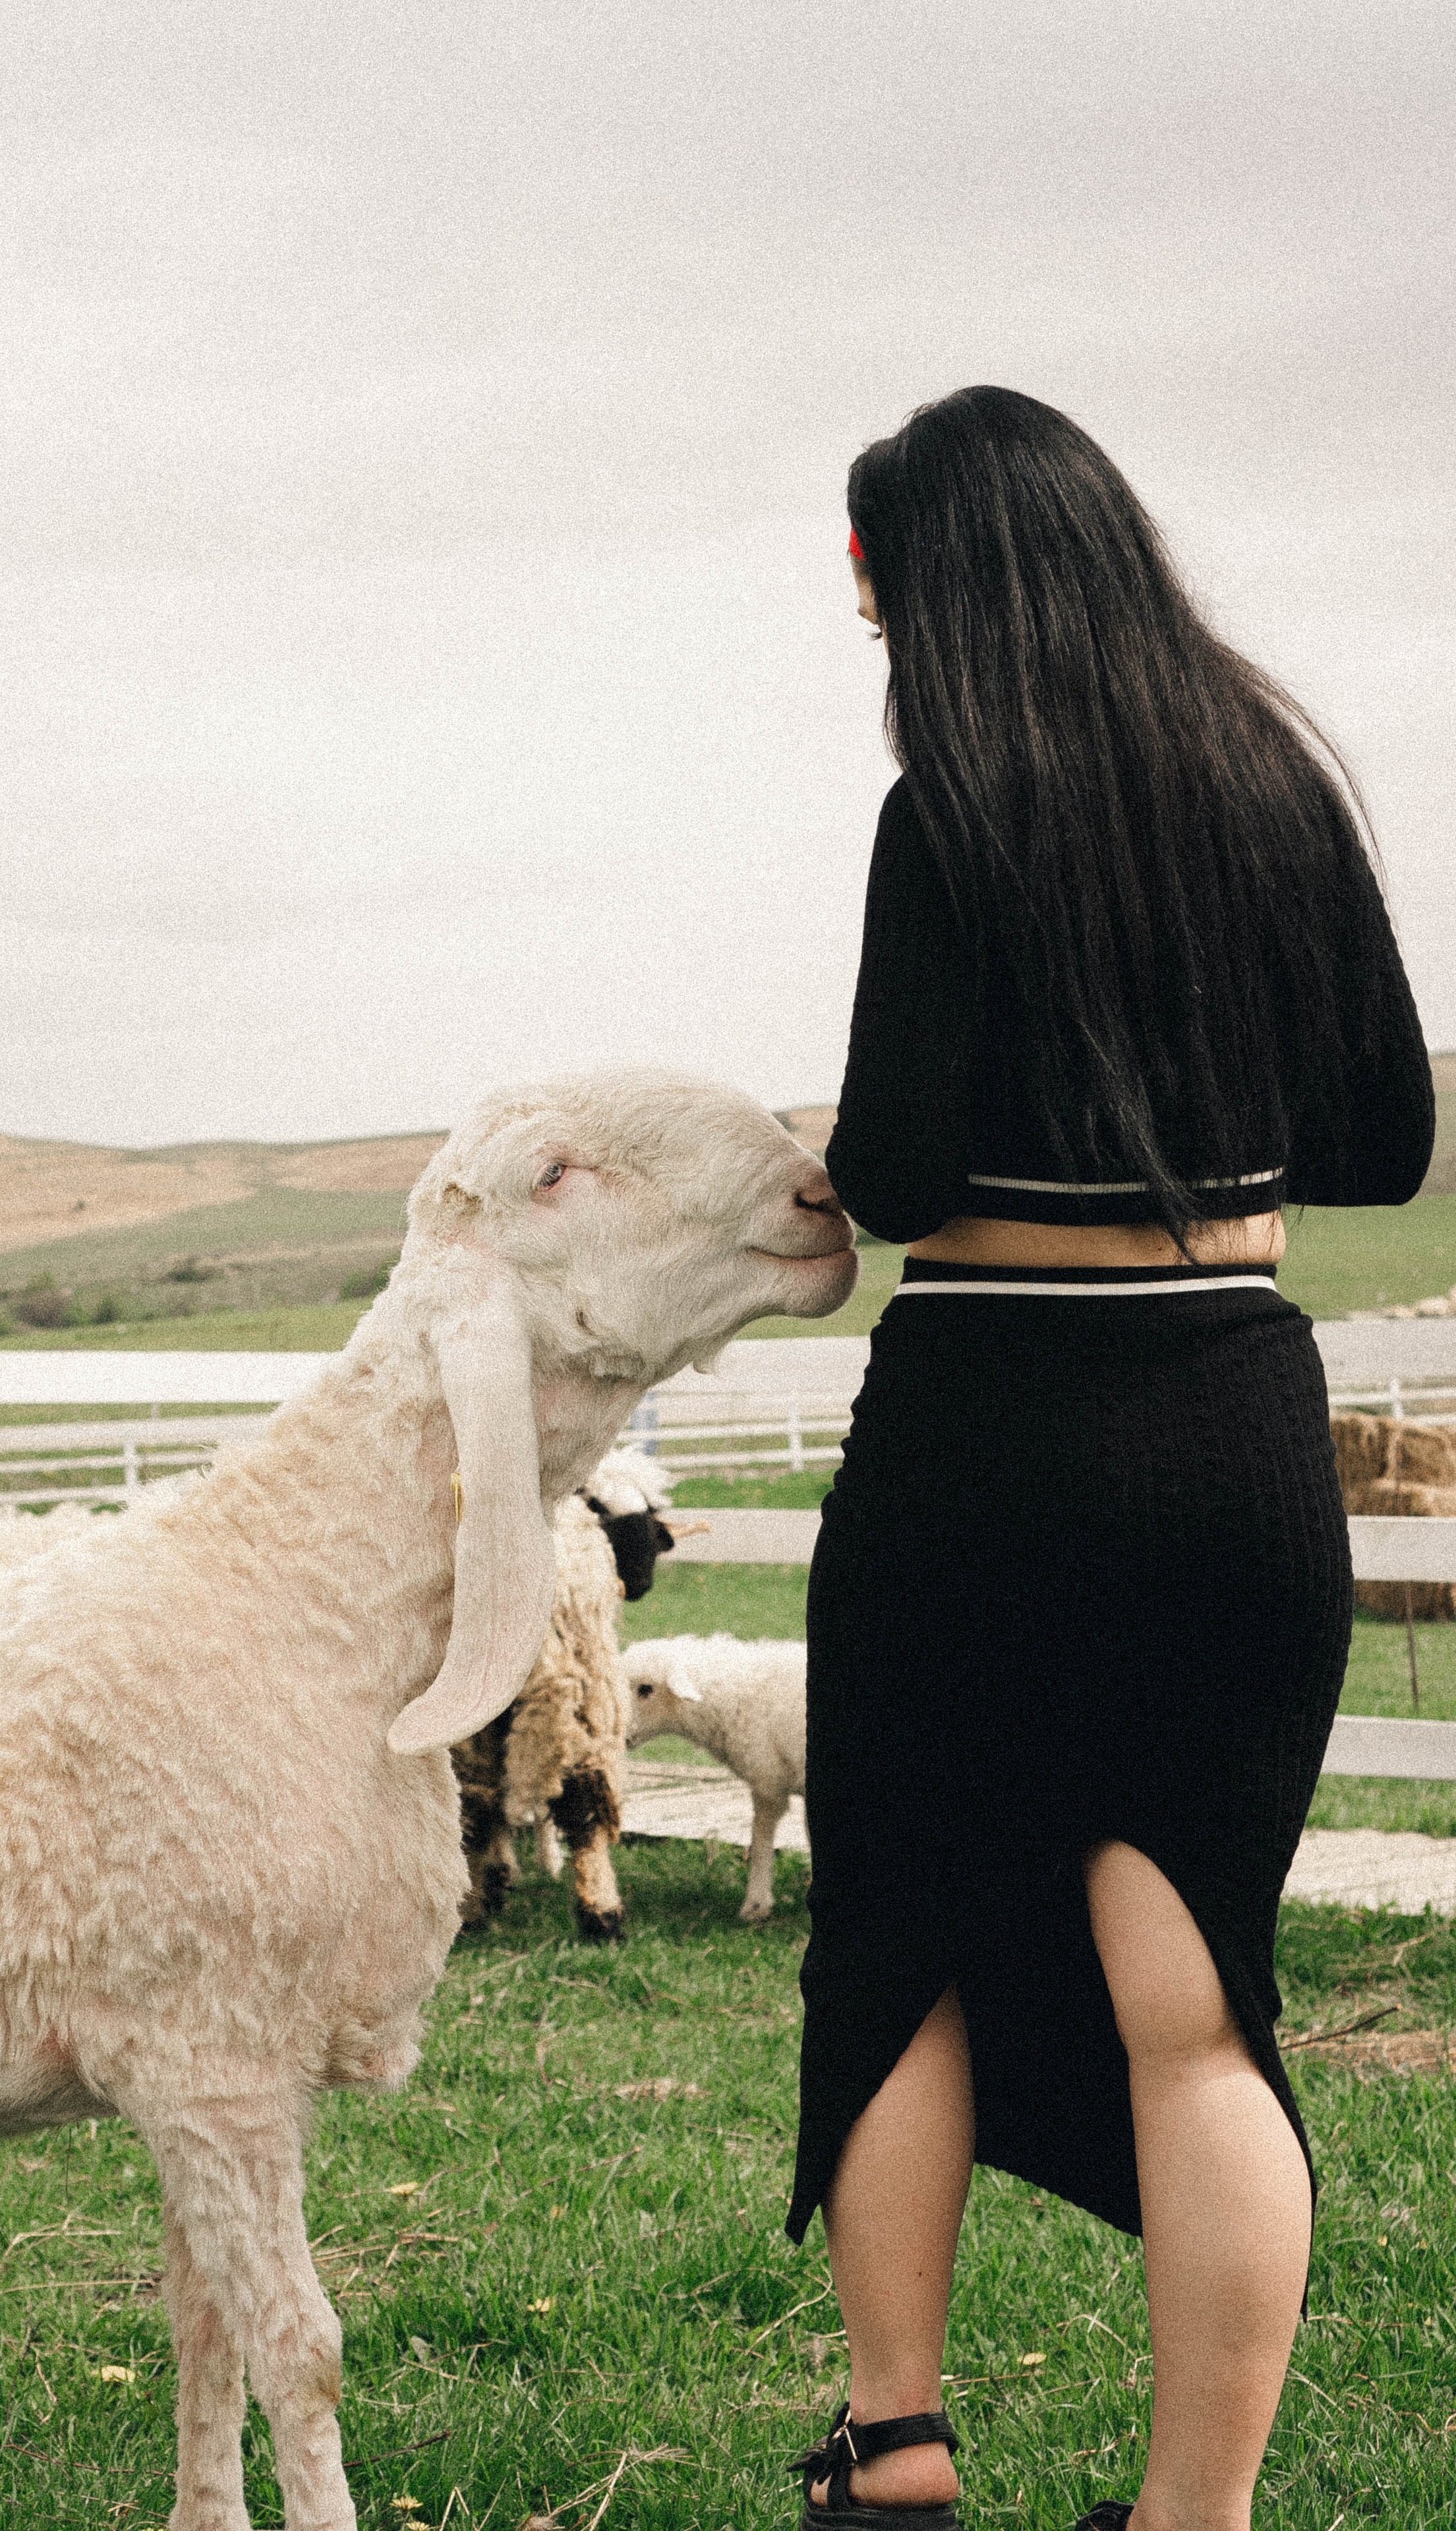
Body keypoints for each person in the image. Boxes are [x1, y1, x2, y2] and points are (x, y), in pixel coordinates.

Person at [789, 388, 1433, 2531]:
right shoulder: (1275, 786)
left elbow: (885, 1173)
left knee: (906, 1937)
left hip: (984, 1434)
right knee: (1199, 2003)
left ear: (928, 586)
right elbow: (1383, 1142)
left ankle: (898, 2448)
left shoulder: (948, 812)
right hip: (1231, 1431)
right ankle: (1197, 2518)